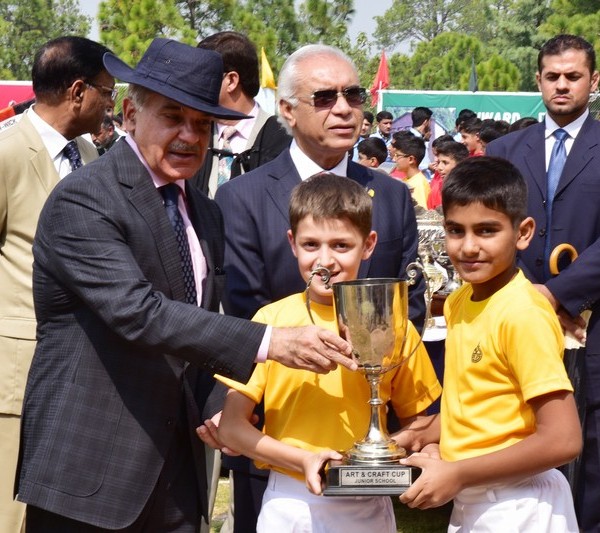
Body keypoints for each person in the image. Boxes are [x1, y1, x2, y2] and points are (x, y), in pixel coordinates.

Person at [15, 38, 356, 533]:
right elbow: (139, 313)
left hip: (176, 474)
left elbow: (198, 328)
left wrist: (221, 409)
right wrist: (273, 342)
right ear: (130, 114)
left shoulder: (205, 212)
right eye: (173, 117)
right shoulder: (85, 199)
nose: (189, 135)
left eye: (202, 123)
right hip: (90, 474)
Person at [214, 43, 424, 532]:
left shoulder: (391, 195)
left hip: (367, 440)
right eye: (326, 97)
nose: (345, 108)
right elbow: (242, 316)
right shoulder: (241, 196)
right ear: (287, 110)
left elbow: (406, 305)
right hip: (274, 435)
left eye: (353, 95)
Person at [203, 173, 441, 532]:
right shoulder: (271, 321)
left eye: (341, 245)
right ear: (292, 243)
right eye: (311, 244)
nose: (325, 260)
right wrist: (302, 460)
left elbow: (425, 423)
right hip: (289, 501)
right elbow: (233, 427)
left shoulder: (394, 324)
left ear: (369, 244)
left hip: (369, 504)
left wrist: (394, 449)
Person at [398, 156, 581, 532]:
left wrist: (458, 473)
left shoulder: (523, 313)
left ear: (523, 232)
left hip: (520, 503)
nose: (468, 246)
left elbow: (563, 439)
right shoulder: (458, 302)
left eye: (486, 231)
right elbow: (479, 405)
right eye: (456, 230)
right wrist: (422, 434)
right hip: (476, 499)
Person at [486, 34, 600, 531]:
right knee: (519, 438)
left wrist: (558, 294)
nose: (562, 85)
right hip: (516, 323)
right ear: (538, 80)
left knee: (591, 455)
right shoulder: (504, 150)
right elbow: (486, 230)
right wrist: (527, 300)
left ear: (593, 81)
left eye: (573, 76)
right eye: (552, 76)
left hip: (592, 324)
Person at [0, 36, 113, 533]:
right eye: (107, 92)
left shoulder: (90, 154)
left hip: (78, 372)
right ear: (78, 91)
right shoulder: (7, 152)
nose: (110, 103)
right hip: (15, 374)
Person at [191, 31, 291, 198]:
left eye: (202, 75)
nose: (194, 84)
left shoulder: (284, 140)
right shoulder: (194, 135)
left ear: (231, 81)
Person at [389, 132, 430, 209]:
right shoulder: (407, 179)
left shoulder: (418, 184)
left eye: (397, 156)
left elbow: (419, 212)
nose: (394, 159)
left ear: (411, 159)